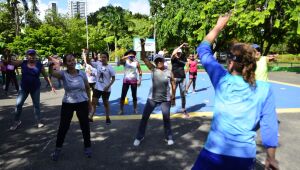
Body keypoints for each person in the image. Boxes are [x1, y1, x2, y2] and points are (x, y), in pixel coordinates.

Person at [192, 13, 279, 170]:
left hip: (214, 152)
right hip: (243, 157)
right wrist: (271, 157)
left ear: (231, 64)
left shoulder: (221, 79)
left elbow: (203, 49)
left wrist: (219, 26)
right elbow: (269, 126)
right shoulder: (265, 89)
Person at [47, 54, 93, 161]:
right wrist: (50, 65)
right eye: (69, 61)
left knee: (85, 126)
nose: (72, 62)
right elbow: (52, 73)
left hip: (82, 102)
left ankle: (88, 147)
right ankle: (57, 150)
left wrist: (89, 103)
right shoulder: (63, 74)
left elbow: (87, 88)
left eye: (73, 60)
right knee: (63, 127)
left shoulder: (82, 74)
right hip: (68, 103)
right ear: (65, 63)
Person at [133, 39, 176, 146]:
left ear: (163, 61)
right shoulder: (153, 69)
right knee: (144, 117)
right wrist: (143, 46)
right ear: (155, 63)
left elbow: (173, 83)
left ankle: (168, 137)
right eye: (157, 61)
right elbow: (143, 58)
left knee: (166, 119)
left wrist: (173, 97)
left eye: (160, 60)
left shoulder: (169, 71)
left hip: (165, 99)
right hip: (152, 99)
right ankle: (139, 136)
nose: (159, 62)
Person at [9, 49, 55, 130]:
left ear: (35, 55)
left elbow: (46, 75)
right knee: (19, 104)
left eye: (33, 55)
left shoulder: (39, 65)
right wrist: (8, 55)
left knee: (36, 105)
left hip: (35, 88)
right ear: (27, 56)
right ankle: (16, 121)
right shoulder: (22, 62)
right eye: (30, 55)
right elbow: (11, 63)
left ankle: (38, 121)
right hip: (24, 88)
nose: (32, 56)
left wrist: (51, 85)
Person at [84, 52, 115, 124]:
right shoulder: (98, 64)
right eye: (102, 57)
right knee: (93, 103)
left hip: (106, 89)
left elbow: (113, 79)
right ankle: (91, 117)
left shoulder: (110, 68)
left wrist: (108, 86)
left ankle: (107, 118)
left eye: (105, 57)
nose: (103, 59)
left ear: (107, 58)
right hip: (97, 88)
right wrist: (87, 54)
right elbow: (88, 62)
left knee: (106, 104)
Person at [118, 49, 142, 115]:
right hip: (126, 81)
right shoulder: (125, 62)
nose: (131, 55)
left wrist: (140, 80)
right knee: (123, 95)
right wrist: (126, 56)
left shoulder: (136, 62)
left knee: (134, 96)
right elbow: (119, 62)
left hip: (134, 81)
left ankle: (135, 109)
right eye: (130, 54)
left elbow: (140, 71)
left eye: (133, 54)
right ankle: (121, 110)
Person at [171, 43, 190, 118]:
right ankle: (171, 105)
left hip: (182, 78)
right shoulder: (173, 58)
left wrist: (186, 70)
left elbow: (187, 62)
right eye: (177, 53)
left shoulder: (183, 58)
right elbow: (173, 53)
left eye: (179, 53)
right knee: (173, 94)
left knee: (183, 94)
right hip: (174, 78)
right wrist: (181, 46)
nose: (178, 54)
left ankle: (183, 109)